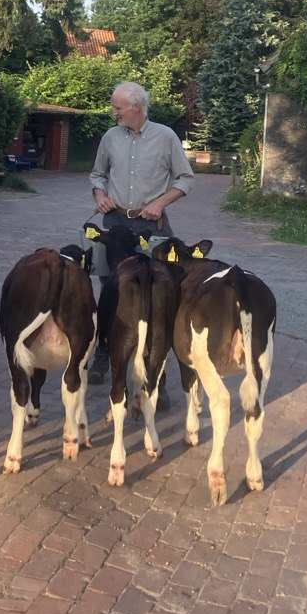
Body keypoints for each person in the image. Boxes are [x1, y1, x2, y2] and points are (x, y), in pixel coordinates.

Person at [86, 82, 194, 408]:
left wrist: (161, 202)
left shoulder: (166, 137)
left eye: (118, 107)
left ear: (137, 107)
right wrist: (100, 196)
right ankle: (104, 352)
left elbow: (185, 179)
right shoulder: (110, 137)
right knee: (110, 291)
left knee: (158, 296)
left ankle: (156, 377)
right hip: (116, 224)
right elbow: (97, 175)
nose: (114, 112)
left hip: (151, 225)